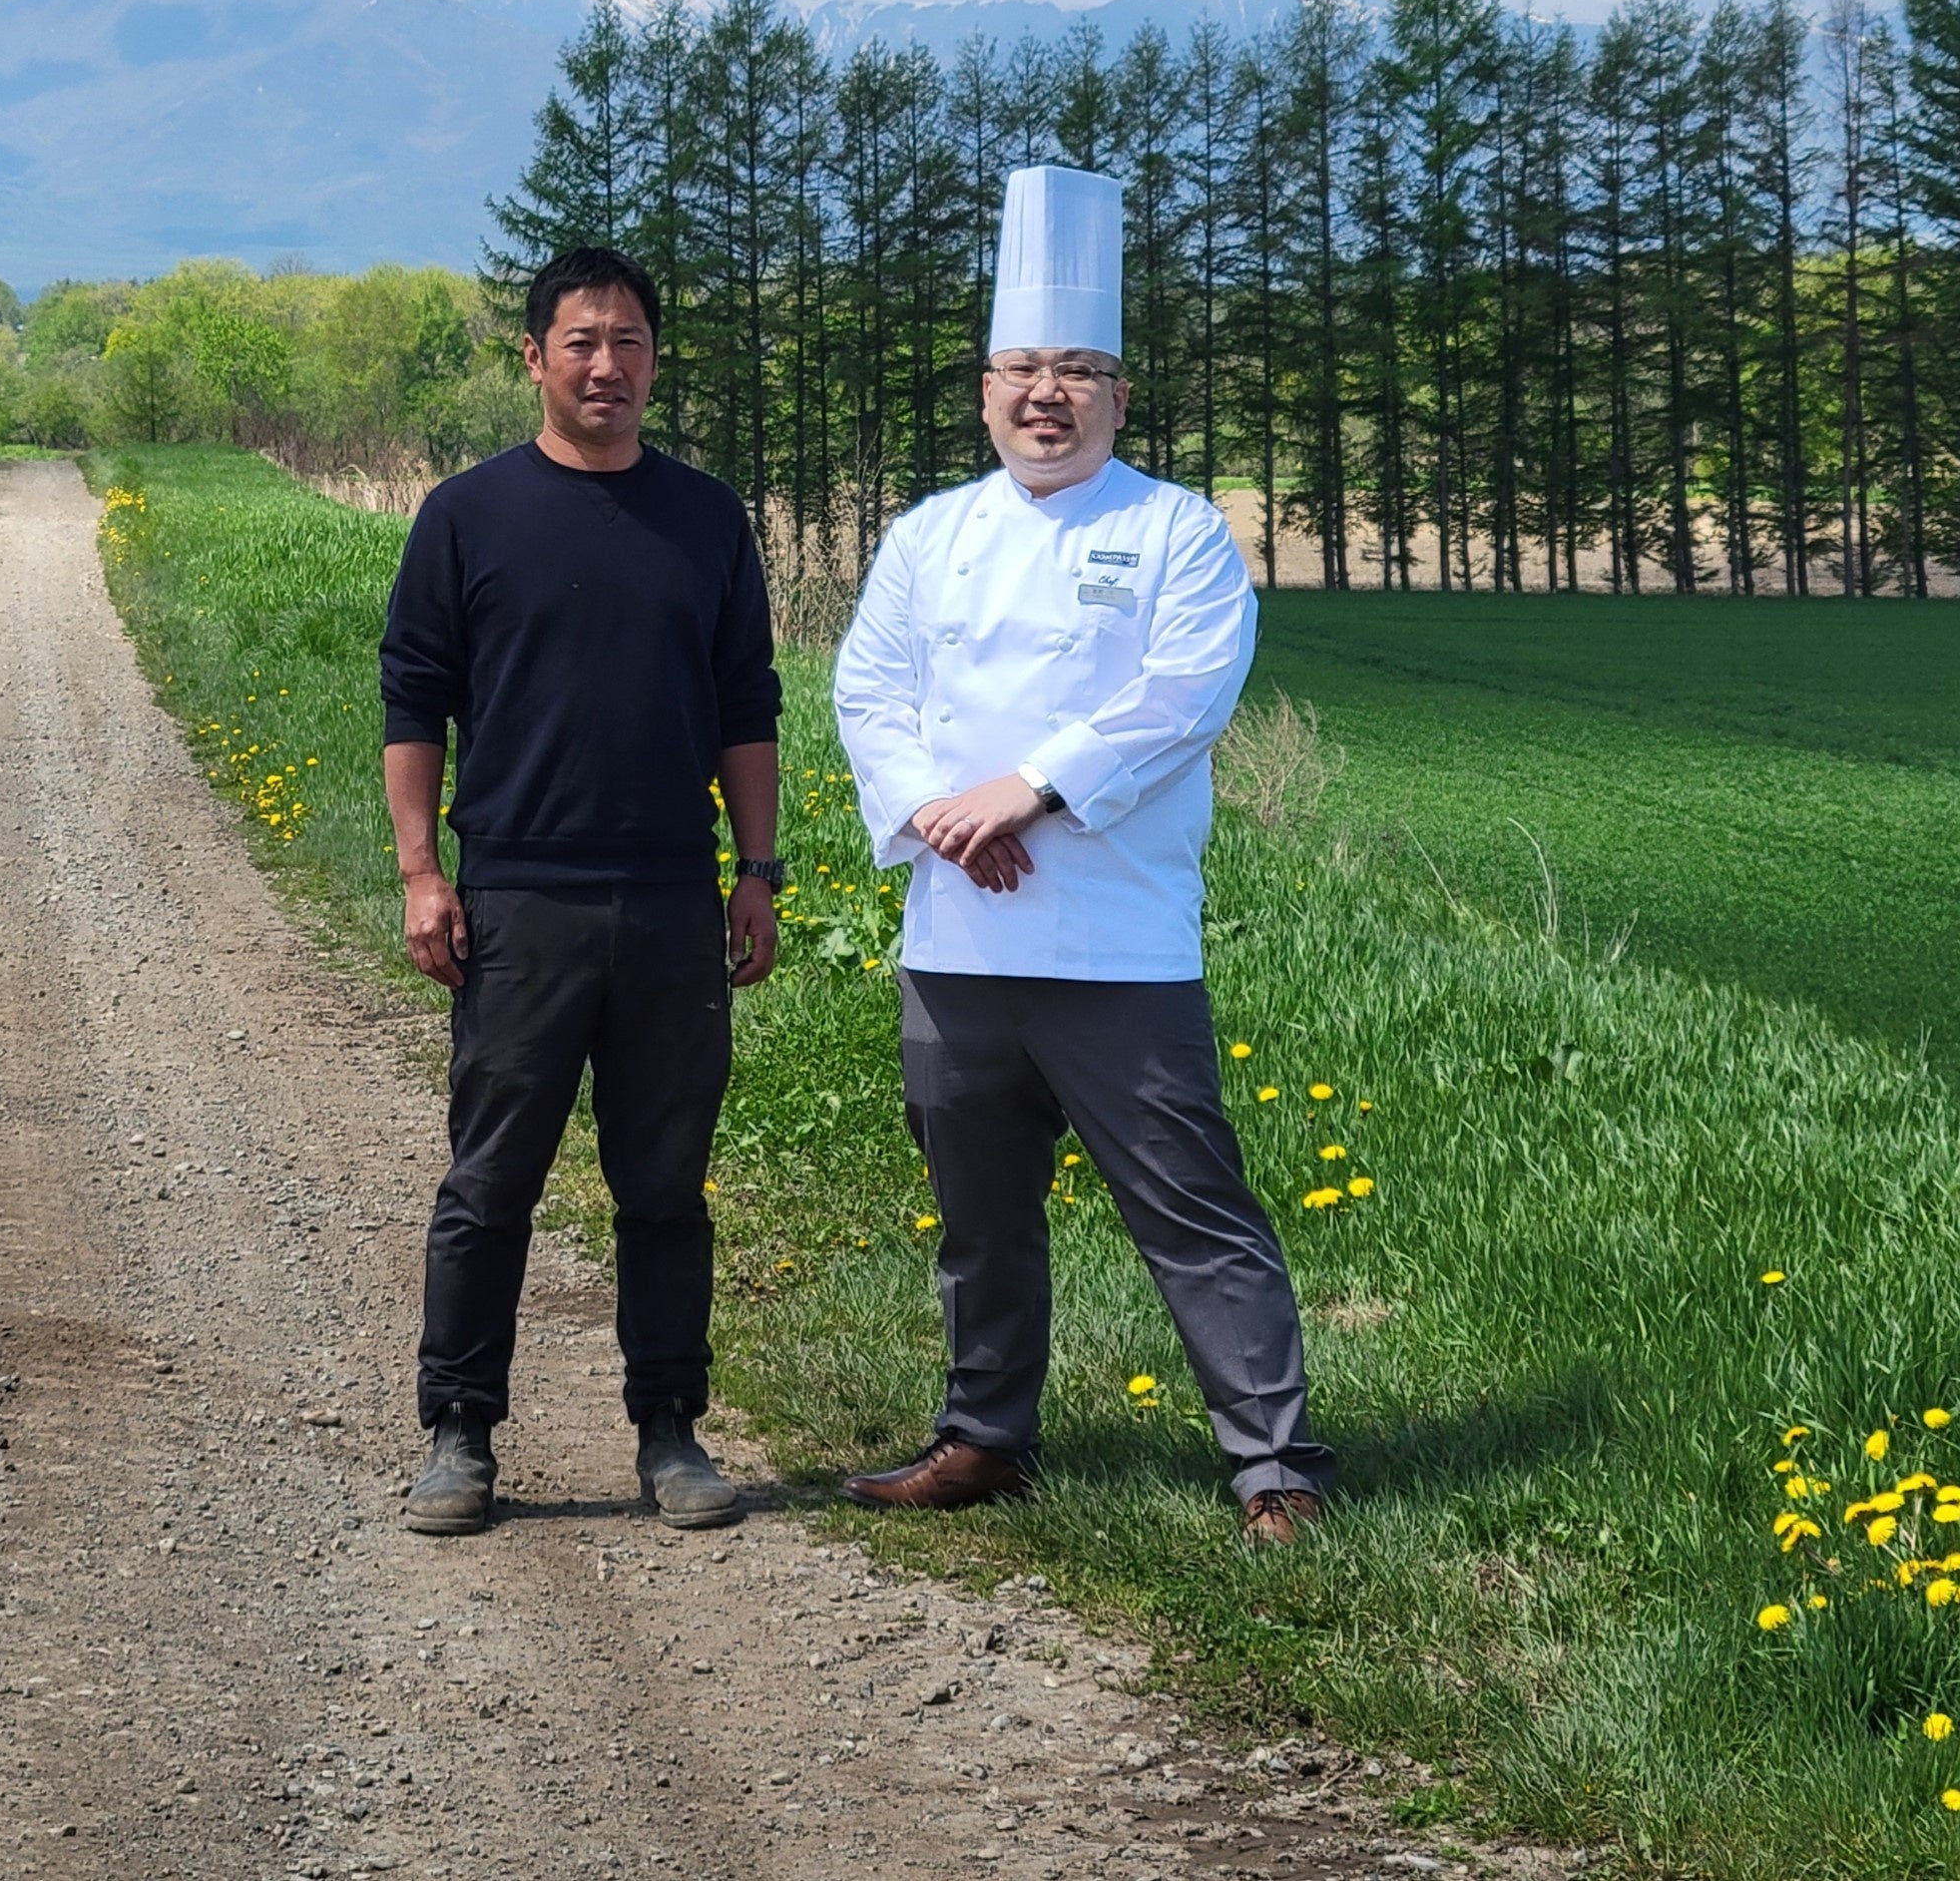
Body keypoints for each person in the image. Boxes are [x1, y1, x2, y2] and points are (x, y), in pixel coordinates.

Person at [828, 167, 1332, 1546]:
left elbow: (1182, 698)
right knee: (977, 1213)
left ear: (1117, 396)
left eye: (1076, 373)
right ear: (985, 390)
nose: (1045, 395)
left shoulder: (1175, 530)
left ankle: (1274, 1467)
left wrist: (1026, 793)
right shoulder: (929, 534)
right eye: (1021, 371)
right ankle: (983, 1437)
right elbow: (868, 692)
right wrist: (942, 812)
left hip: (1116, 938)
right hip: (957, 931)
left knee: (1190, 1207)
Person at [379, 243, 786, 1537]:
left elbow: (748, 705)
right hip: (519, 900)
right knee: (490, 1180)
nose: (606, 365)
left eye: (629, 343)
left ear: (655, 361)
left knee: (664, 1185)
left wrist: (756, 870)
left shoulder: (707, 519)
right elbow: (413, 702)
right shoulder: (466, 516)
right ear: (534, 358)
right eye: (581, 342)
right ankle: (458, 1431)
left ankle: (670, 1428)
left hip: (671, 900)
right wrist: (421, 873)